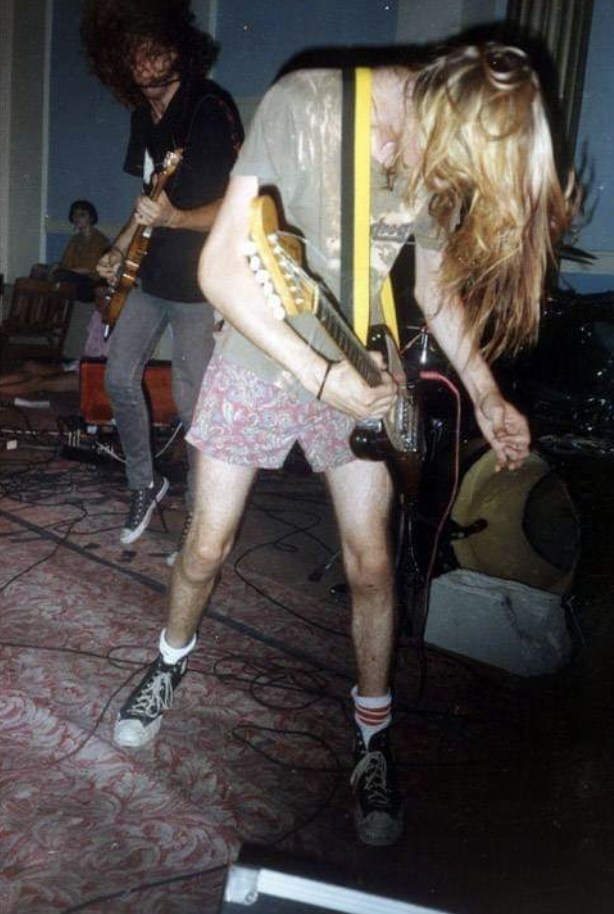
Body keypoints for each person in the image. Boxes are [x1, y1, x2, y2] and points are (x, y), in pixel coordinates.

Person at [111, 41, 573, 847]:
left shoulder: (449, 142)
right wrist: (322, 381)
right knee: (207, 546)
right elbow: (222, 269)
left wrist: (487, 390)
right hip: (261, 351)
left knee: (371, 564)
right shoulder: (308, 104)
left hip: (364, 362)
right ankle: (168, 662)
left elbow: (430, 283)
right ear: (440, 101)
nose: (439, 175)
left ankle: (371, 739)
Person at [80, 0, 243, 546]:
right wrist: (119, 248)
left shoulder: (209, 109)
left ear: (177, 49)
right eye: (133, 56)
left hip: (200, 282)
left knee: (192, 401)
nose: (144, 66)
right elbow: (148, 197)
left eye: (153, 52)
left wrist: (176, 217)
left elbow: (236, 206)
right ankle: (143, 485)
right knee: (118, 377)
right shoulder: (141, 118)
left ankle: (199, 521)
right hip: (148, 276)